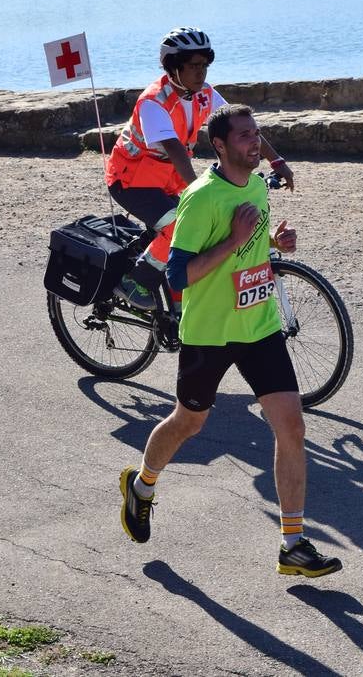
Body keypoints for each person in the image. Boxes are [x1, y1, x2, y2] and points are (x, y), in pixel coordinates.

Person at [117, 103, 342, 579]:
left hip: (259, 326)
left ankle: (293, 544)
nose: (254, 142)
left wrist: (273, 244)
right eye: (243, 135)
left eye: (257, 133)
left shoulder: (258, 185)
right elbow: (178, 276)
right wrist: (234, 239)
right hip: (210, 334)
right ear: (219, 145)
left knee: (292, 426)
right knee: (188, 423)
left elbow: (249, 245)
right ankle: (142, 484)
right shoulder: (200, 199)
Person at [105, 28, 293, 311]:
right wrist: (201, 194)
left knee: (203, 231)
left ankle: (181, 304)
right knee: (177, 226)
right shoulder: (153, 102)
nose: (201, 72)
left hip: (167, 179)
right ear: (173, 67)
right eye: (193, 66)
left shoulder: (203, 94)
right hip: (132, 181)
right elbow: (176, 150)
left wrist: (277, 161)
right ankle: (137, 282)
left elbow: (242, 128)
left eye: (204, 65)